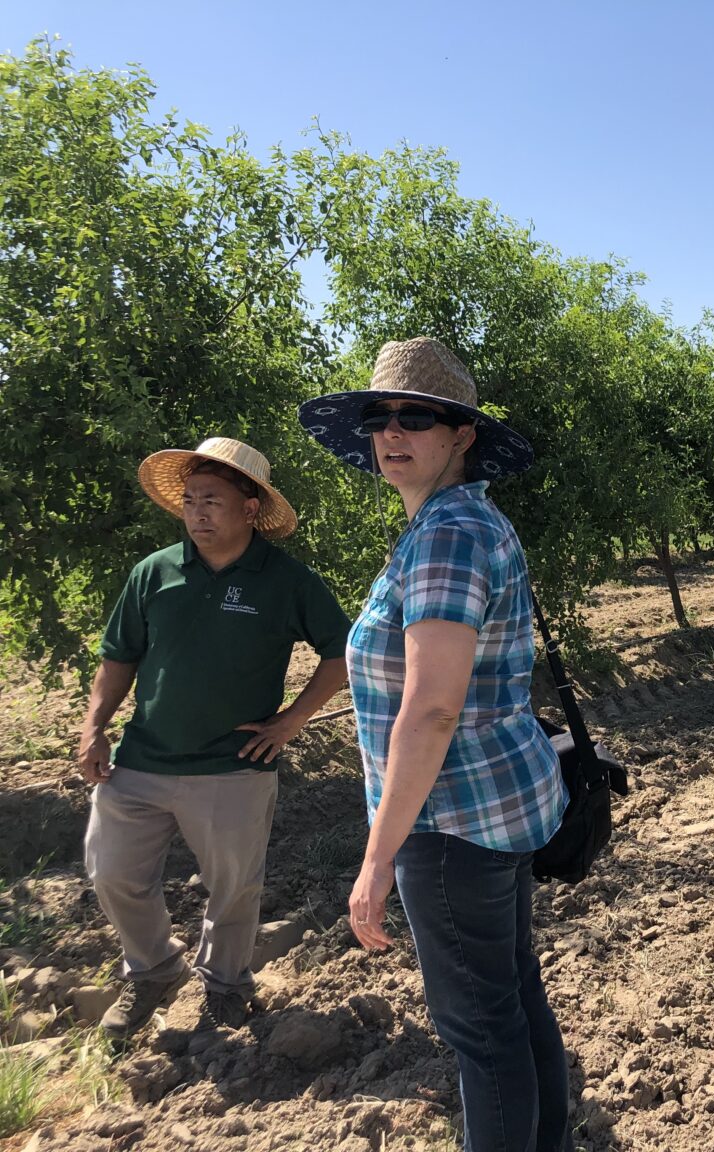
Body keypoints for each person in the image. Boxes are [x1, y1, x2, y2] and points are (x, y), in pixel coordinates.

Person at [299, 337, 572, 1152]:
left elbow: (431, 710)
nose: (392, 432)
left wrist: (378, 856)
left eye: (418, 417)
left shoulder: (448, 533)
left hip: (450, 823)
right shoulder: (455, 523)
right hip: (495, 806)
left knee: (481, 1033)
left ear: (463, 437)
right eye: (380, 417)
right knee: (513, 1002)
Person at [77, 437, 350, 1039]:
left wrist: (291, 721)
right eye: (190, 501)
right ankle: (154, 970)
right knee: (110, 870)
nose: (198, 513)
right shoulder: (154, 572)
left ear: (250, 509)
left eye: (213, 501)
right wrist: (95, 726)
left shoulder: (285, 581)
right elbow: (118, 657)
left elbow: (341, 652)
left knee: (233, 888)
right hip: (142, 759)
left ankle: (226, 985)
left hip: (233, 768)